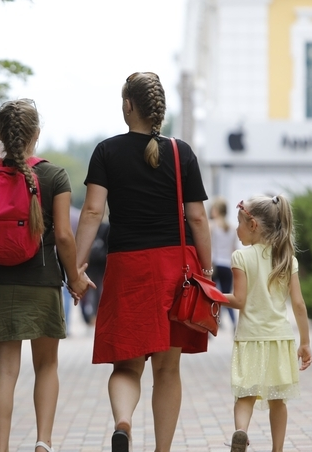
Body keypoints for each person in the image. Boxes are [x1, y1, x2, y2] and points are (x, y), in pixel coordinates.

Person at [73, 71, 212, 452]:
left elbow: (92, 212)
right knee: (167, 369)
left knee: (126, 366)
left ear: (128, 105)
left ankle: (123, 422)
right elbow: (197, 217)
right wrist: (207, 270)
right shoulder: (181, 152)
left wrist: (76, 267)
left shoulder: (106, 151)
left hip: (128, 268)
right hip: (174, 269)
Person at [0, 98, 92, 452]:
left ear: (1, 134)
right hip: (42, 281)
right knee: (46, 366)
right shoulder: (53, 176)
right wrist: (75, 278)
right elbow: (63, 236)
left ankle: (1, 448)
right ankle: (43, 442)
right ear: (36, 133)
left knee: (4, 372)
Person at [223, 195, 312, 452]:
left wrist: (211, 296)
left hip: (249, 338)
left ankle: (241, 431)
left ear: (253, 226)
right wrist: (305, 342)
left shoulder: (241, 257)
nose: (236, 228)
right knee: (278, 401)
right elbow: (299, 305)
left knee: (245, 395)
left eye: (239, 222)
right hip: (279, 339)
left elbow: (239, 300)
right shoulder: (286, 259)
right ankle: (277, 449)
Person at [209, 197, 238, 329]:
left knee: (212, 296)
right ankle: (234, 322)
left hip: (215, 265)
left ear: (217, 210)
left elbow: (209, 247)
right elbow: (234, 249)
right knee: (227, 297)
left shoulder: (212, 226)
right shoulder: (232, 228)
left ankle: (212, 323)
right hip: (227, 265)